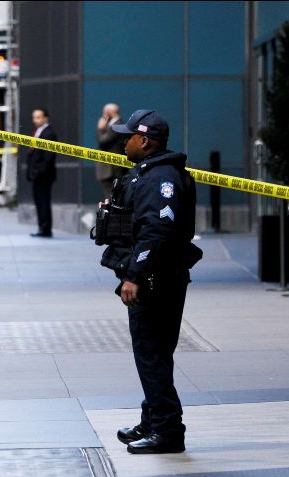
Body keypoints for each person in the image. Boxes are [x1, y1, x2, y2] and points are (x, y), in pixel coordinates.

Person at [97, 109, 202, 454]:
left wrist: (134, 276)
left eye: (128, 136)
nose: (123, 141)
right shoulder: (150, 174)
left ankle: (168, 431)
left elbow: (156, 231)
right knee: (155, 354)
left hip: (156, 280)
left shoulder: (161, 178)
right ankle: (154, 419)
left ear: (145, 141)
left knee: (152, 354)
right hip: (158, 277)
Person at [25, 107, 57, 237]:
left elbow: (48, 158)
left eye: (38, 117)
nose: (35, 120)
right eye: (34, 117)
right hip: (37, 175)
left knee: (43, 201)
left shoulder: (49, 133)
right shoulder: (39, 131)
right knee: (39, 201)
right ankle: (42, 227)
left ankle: (45, 228)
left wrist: (37, 172)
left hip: (43, 175)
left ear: (46, 118)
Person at [96, 103, 128, 196]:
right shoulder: (114, 124)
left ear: (108, 113)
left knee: (112, 195)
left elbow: (102, 142)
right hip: (111, 169)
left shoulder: (117, 125)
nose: (103, 115)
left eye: (104, 112)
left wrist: (100, 129)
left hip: (112, 170)